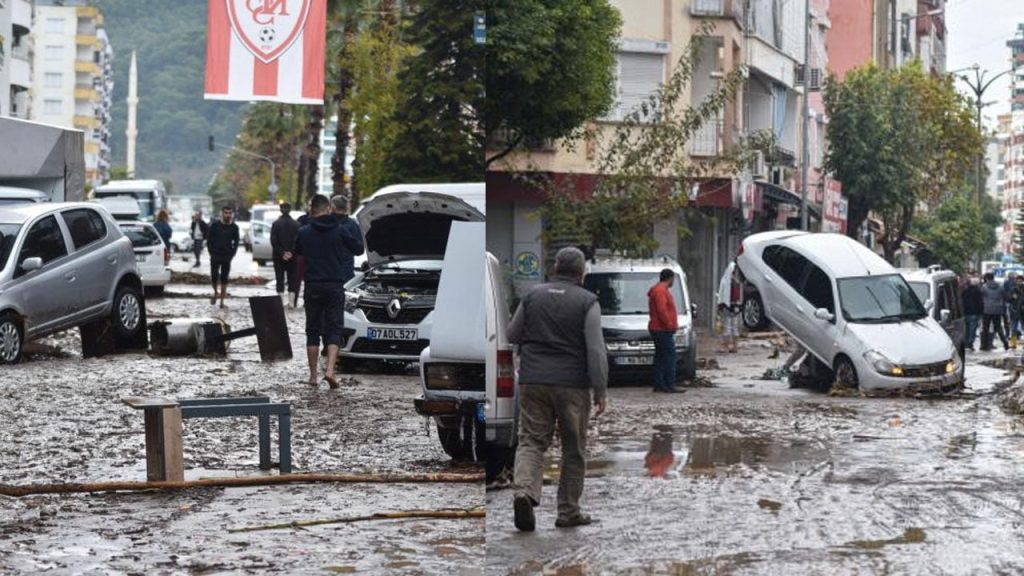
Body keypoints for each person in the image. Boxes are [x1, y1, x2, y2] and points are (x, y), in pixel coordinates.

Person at [508, 246, 608, 532]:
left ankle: (524, 493)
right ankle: (568, 511)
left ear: (554, 269)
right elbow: (595, 350)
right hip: (572, 386)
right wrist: (600, 389)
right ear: (581, 273)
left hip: (532, 382)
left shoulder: (531, 296)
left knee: (531, 442)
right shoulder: (588, 301)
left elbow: (512, 334)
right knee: (573, 450)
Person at [294, 194, 363, 388]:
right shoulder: (340, 231)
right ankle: (331, 371)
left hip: (313, 286)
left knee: (312, 330)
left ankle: (313, 376)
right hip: (334, 285)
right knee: (334, 328)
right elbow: (358, 249)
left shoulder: (304, 231)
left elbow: (297, 251)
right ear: (328, 209)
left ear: (312, 210)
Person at [648, 268, 683, 393]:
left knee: (661, 356)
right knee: (669, 356)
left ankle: (660, 384)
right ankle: (669, 384)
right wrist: (670, 325)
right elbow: (662, 310)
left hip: (658, 328)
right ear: (670, 278)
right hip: (662, 329)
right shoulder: (661, 291)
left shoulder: (659, 290)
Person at [207, 205, 240, 308]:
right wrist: (211, 251)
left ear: (232, 214)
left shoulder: (234, 227)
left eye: (230, 213)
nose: (228, 215)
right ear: (222, 213)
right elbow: (209, 240)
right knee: (214, 276)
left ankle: (222, 302)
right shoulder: (215, 225)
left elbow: (236, 242)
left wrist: (232, 253)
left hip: (227, 256)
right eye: (226, 213)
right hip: (215, 254)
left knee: (224, 278)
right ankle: (216, 292)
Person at [271, 202, 301, 307]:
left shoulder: (275, 224)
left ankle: (280, 302)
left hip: (278, 256)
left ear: (280, 210)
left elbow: (273, 241)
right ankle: (291, 302)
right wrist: (291, 252)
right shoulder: (297, 225)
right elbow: (298, 241)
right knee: (292, 278)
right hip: (293, 257)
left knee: (279, 278)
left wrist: (282, 252)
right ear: (290, 210)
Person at [717, 262, 743, 354]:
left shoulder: (725, 281)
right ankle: (735, 347)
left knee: (727, 327)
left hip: (728, 307)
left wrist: (720, 306)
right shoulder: (736, 282)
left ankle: (726, 347)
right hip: (735, 307)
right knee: (734, 327)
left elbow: (721, 295)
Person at [981, 272, 1008, 351]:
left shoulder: (984, 287)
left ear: (986, 278)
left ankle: (985, 345)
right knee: (998, 327)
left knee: (985, 327)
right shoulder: (1000, 286)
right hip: (997, 309)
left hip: (987, 309)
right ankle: (1005, 343)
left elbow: (981, 297)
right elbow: (1004, 296)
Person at [962, 272, 983, 352]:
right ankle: (970, 343)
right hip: (974, 313)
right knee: (972, 329)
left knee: (966, 328)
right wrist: (980, 312)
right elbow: (980, 303)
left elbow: (962, 301)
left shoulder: (965, 291)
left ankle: (966, 342)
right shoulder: (978, 292)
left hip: (966, 312)